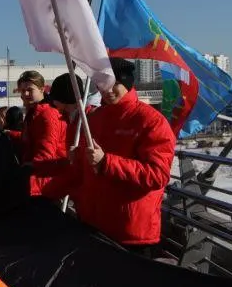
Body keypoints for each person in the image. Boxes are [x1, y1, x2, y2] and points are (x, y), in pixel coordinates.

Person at [42, 58, 176, 253]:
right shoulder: (94, 119)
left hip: (130, 233)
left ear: (128, 83)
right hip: (93, 224)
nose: (108, 90)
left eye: (115, 84)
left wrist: (106, 162)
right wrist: (44, 191)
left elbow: (158, 175)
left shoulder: (151, 121)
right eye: (103, 84)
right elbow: (82, 173)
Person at [17, 70, 68, 196]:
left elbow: (46, 154)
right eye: (23, 91)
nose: (25, 94)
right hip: (38, 178)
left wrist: (25, 169)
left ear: (42, 89)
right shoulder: (34, 112)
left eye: (30, 90)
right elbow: (33, 138)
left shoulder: (47, 114)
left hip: (46, 182)